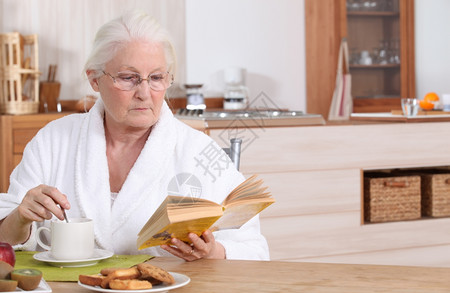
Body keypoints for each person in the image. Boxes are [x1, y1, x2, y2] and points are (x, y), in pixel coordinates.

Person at [0, 10, 269, 261]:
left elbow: (254, 249)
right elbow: (5, 240)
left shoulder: (198, 151)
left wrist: (214, 252)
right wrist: (21, 218)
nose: (144, 92)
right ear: (94, 79)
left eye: (156, 77)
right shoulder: (53, 142)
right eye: (128, 77)